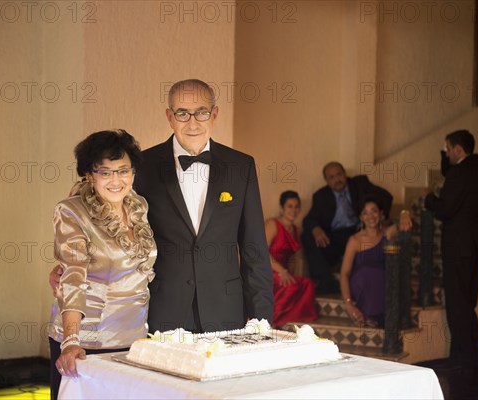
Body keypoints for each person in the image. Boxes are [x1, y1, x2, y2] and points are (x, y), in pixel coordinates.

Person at [52, 79, 274, 334]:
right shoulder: (141, 166)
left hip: (226, 311)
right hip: (161, 311)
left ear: (214, 114)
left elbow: (254, 249)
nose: (193, 123)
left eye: (201, 112)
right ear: (169, 116)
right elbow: (106, 224)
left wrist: (262, 320)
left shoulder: (241, 166)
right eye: (182, 113)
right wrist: (67, 265)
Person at [48, 129, 157, 400]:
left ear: (133, 172)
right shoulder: (71, 211)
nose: (115, 180)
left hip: (133, 339)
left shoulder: (138, 206)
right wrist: (71, 342)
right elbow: (73, 277)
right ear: (89, 174)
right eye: (105, 172)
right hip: (89, 340)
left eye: (123, 170)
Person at [424, 129, 478, 375]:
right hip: (475, 245)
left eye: (448, 149)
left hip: (459, 248)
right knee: (465, 304)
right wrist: (444, 152)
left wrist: (429, 198)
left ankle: (467, 358)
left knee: (458, 306)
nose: (447, 152)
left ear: (458, 150)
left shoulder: (459, 173)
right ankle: (475, 356)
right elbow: (449, 171)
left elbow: (444, 209)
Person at [301, 162, 393, 294]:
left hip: (359, 233)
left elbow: (386, 197)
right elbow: (309, 219)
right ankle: (326, 281)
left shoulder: (360, 184)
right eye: (331, 177)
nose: (336, 180)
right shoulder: (321, 196)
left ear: (345, 174)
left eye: (339, 174)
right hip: (334, 238)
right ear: (326, 180)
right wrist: (316, 228)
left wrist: (382, 220)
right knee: (307, 236)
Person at [339, 197, 411, 328]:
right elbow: (344, 273)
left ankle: (382, 317)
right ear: (361, 217)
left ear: (381, 214)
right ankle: (369, 315)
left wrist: (404, 213)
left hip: (382, 283)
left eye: (374, 211)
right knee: (369, 272)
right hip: (360, 282)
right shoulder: (355, 240)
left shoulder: (387, 234)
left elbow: (403, 223)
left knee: (383, 274)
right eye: (365, 213)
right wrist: (349, 304)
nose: (370, 216)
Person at [265, 191, 317, 327]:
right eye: (290, 206)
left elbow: (293, 257)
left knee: (307, 284)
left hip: (283, 271)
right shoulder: (272, 224)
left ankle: (287, 320)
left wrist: (289, 273)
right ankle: (271, 320)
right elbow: (261, 252)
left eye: (296, 206)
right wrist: (282, 271)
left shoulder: (295, 229)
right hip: (267, 270)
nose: (294, 210)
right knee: (291, 287)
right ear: (282, 208)